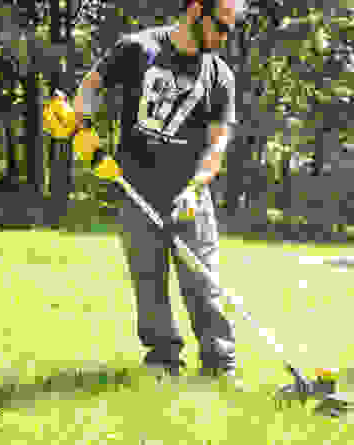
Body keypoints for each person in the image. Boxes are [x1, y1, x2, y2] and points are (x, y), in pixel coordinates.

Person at [72, 0, 245, 384]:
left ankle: (221, 365)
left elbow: (217, 146)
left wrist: (196, 187)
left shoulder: (219, 76)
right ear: (196, 10)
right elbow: (90, 88)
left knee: (203, 284)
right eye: (221, 26)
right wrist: (78, 124)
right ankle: (162, 362)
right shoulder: (138, 49)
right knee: (148, 283)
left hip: (190, 196)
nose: (224, 38)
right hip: (135, 189)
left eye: (231, 31)